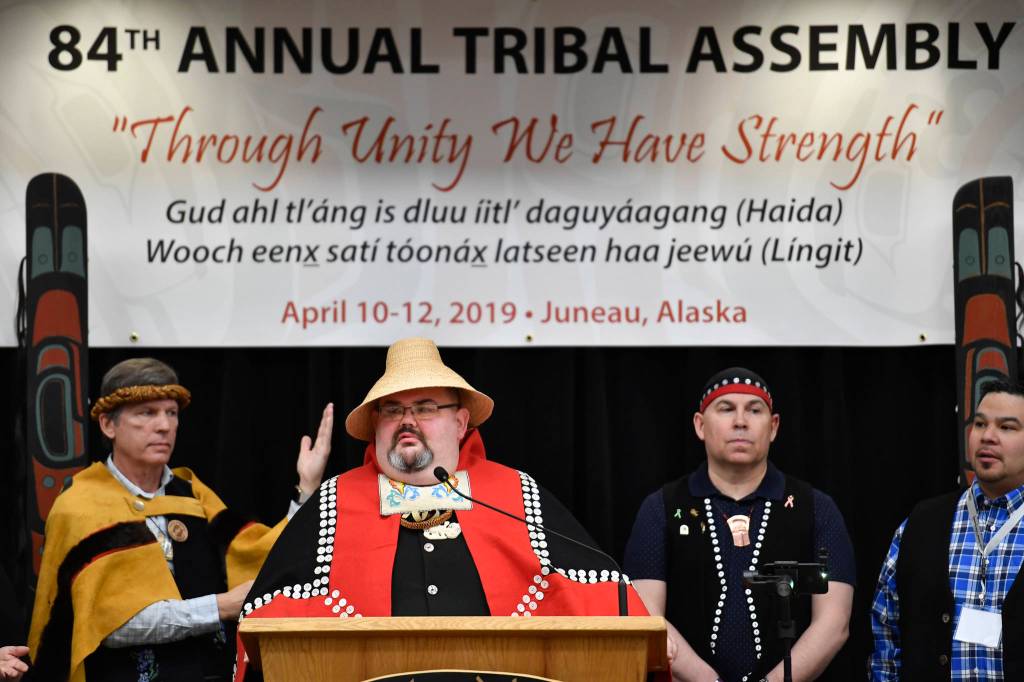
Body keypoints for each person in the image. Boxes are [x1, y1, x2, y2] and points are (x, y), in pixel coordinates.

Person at [236, 337, 648, 676]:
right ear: (376, 425)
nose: (407, 420)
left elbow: (594, 588)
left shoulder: (516, 493)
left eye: (426, 407)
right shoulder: (333, 502)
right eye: (393, 410)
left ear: (461, 422)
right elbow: (267, 614)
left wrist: (638, 631)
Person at [27, 358, 331, 682]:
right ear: (107, 424)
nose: (164, 426)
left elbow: (265, 562)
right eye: (147, 413)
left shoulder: (192, 496)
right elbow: (108, 626)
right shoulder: (81, 506)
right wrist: (220, 607)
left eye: (171, 413)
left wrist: (307, 488)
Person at [624, 367, 855, 682]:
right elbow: (646, 613)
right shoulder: (661, 508)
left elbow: (833, 623)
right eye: (726, 409)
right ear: (700, 425)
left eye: (755, 410)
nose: (741, 421)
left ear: (773, 427)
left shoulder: (816, 509)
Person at [870, 379, 1024, 680]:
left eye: (1006, 427)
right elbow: (885, 627)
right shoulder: (923, 522)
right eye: (980, 424)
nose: (987, 437)